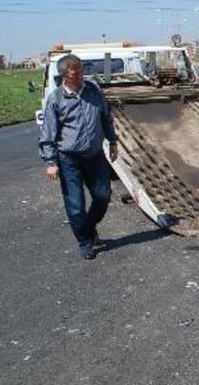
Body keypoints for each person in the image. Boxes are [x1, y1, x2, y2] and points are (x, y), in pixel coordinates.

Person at [39, 54, 118, 260]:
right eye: (76, 74)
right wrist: (51, 162)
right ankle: (85, 242)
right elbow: (48, 133)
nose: (81, 76)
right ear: (65, 76)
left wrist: (113, 141)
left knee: (103, 196)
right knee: (75, 206)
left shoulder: (93, 90)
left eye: (82, 71)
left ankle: (89, 227)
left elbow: (106, 117)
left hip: (95, 155)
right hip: (69, 159)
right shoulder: (56, 99)